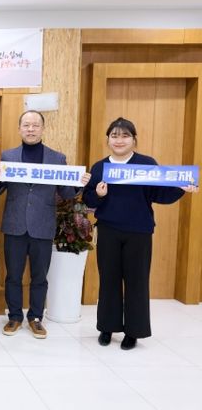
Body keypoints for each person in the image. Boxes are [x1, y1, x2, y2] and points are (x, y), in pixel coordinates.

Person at [83, 117, 198, 350]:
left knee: (137, 282)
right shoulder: (100, 167)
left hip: (139, 232)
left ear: (134, 140)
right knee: (109, 280)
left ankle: (133, 332)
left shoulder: (146, 164)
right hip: (108, 230)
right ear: (108, 140)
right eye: (114, 135)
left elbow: (159, 194)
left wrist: (180, 189)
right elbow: (88, 199)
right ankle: (107, 328)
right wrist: (99, 195)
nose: (119, 140)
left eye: (125, 135)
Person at [0, 110, 90, 339]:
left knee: (39, 277)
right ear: (19, 128)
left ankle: (36, 318)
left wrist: (79, 184)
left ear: (43, 129)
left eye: (35, 125)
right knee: (13, 276)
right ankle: (14, 317)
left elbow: (66, 193)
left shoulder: (57, 158)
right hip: (15, 225)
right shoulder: (8, 156)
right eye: (26, 125)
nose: (31, 129)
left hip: (43, 225)